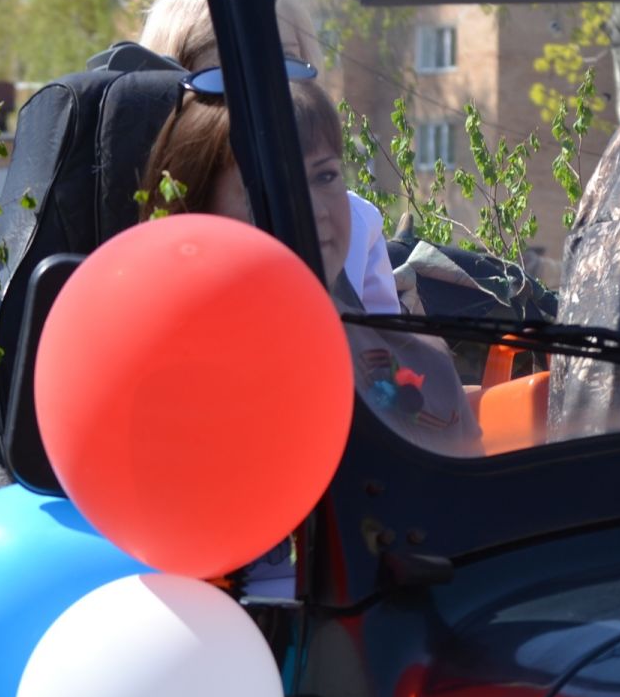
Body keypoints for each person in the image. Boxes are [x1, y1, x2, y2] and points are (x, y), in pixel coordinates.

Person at [138, 65, 481, 454]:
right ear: (194, 211)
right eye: (269, 189)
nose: (312, 209)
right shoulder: (150, 382)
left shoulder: (426, 371)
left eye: (325, 177)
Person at [131, 0, 401, 316]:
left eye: (287, 61)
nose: (268, 85)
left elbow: (385, 356)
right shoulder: (154, 223)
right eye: (231, 68)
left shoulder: (352, 219)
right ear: (177, 81)